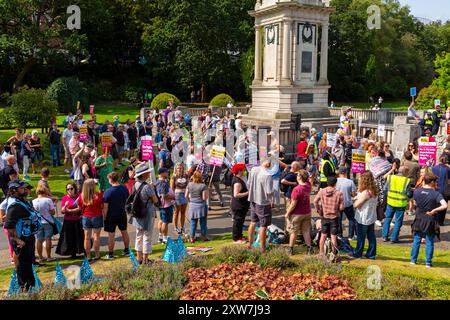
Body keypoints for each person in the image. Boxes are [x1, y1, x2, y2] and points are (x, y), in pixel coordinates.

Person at [5, 180, 40, 291]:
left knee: (28, 262)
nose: (24, 190)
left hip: (28, 237)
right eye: (21, 188)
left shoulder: (22, 201)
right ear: (13, 190)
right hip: (21, 239)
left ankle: (31, 285)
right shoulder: (14, 205)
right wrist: (17, 239)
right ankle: (24, 286)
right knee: (23, 264)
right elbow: (9, 225)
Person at [410, 173, 448, 268]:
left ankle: (413, 261)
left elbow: (414, 202)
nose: (436, 183)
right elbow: (445, 205)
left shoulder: (417, 191)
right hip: (430, 220)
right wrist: (434, 210)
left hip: (418, 218)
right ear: (431, 182)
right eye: (435, 182)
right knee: (429, 241)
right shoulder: (436, 194)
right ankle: (428, 263)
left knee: (417, 240)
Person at [129, 162, 158, 265]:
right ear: (144, 174)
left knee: (138, 235)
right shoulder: (147, 187)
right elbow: (156, 201)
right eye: (147, 173)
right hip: (147, 213)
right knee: (147, 236)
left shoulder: (135, 185)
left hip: (137, 213)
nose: (149, 174)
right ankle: (146, 260)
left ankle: (139, 258)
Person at [247, 159, 274, 252]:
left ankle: (250, 244)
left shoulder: (253, 169)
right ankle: (262, 248)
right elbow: (269, 192)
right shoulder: (268, 175)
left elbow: (248, 183)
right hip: (263, 202)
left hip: (253, 199)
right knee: (264, 225)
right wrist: (272, 201)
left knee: (253, 221)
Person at [313, 176, 344, 258]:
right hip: (334, 217)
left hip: (324, 216)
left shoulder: (322, 191)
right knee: (333, 236)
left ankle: (321, 253)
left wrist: (319, 210)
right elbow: (341, 207)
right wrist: (337, 208)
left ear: (327, 183)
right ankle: (333, 254)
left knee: (323, 235)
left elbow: (315, 201)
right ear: (335, 184)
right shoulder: (339, 193)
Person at [103, 172, 130, 260]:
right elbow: (127, 199)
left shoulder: (108, 191)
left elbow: (105, 207)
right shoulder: (124, 188)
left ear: (111, 179)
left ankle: (110, 254)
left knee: (111, 235)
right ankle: (127, 251)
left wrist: (105, 217)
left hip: (111, 216)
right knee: (124, 232)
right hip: (122, 213)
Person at [351, 172, 378, 259]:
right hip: (372, 216)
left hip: (364, 218)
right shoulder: (374, 190)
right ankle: (371, 254)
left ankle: (358, 253)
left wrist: (355, 200)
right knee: (371, 236)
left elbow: (356, 205)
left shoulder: (366, 193)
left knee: (361, 237)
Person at [285, 170, 313, 255]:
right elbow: (310, 180)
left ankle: (290, 249)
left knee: (294, 232)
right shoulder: (308, 186)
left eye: (297, 175)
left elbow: (293, 204)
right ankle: (309, 249)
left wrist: (287, 213)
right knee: (306, 231)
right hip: (307, 212)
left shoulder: (296, 189)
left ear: (300, 177)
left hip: (297, 214)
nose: (296, 177)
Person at [382, 166, 412, 243]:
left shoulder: (390, 178)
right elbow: (409, 194)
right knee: (398, 221)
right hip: (401, 204)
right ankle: (394, 238)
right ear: (405, 172)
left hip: (390, 202)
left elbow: (385, 189)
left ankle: (384, 236)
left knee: (387, 219)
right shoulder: (407, 180)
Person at [77, 179, 104, 261]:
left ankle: (88, 256)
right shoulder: (99, 195)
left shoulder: (81, 196)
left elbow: (79, 207)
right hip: (97, 216)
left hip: (86, 217)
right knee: (96, 237)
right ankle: (97, 254)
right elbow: (102, 206)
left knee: (87, 238)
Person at [56, 183, 84, 258]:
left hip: (77, 220)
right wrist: (65, 206)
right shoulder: (65, 198)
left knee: (78, 236)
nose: (69, 190)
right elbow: (62, 211)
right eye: (68, 189)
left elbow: (80, 208)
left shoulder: (78, 197)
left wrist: (69, 211)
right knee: (69, 237)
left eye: (71, 188)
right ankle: (72, 253)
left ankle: (80, 251)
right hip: (68, 220)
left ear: (74, 188)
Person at [32, 185, 56, 262]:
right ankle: (49, 257)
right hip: (47, 222)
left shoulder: (33, 201)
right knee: (48, 238)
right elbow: (53, 212)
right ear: (45, 191)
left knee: (39, 240)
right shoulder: (48, 200)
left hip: (38, 222)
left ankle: (41, 257)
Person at [186, 171, 209, 243]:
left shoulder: (189, 185)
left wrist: (190, 201)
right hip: (201, 206)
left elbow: (186, 196)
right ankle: (204, 237)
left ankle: (192, 238)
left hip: (192, 205)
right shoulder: (203, 186)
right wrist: (207, 192)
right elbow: (204, 198)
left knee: (193, 223)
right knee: (203, 222)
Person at [155, 167, 175, 244]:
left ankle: (160, 236)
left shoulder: (158, 182)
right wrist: (173, 197)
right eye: (166, 172)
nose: (167, 173)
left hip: (162, 205)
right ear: (162, 173)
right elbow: (164, 196)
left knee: (161, 221)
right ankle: (165, 238)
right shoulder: (163, 183)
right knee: (165, 222)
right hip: (166, 205)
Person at [336, 166, 357, 239]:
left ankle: (339, 235)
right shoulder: (350, 182)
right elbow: (353, 194)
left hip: (338, 204)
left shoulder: (335, 181)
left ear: (339, 172)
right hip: (348, 203)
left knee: (339, 220)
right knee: (351, 219)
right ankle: (350, 236)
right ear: (346, 172)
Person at [230, 163, 249, 244]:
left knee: (240, 221)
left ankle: (240, 235)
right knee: (237, 222)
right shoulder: (237, 182)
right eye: (243, 170)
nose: (245, 171)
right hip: (239, 205)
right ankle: (236, 238)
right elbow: (236, 195)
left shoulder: (239, 179)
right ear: (239, 171)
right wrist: (248, 193)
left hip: (242, 205)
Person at [431, 155, 450, 226]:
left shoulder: (434, 168)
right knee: (443, 206)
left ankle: (434, 219)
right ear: (446, 161)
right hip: (444, 190)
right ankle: (440, 222)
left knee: (435, 205)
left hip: (435, 189)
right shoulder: (448, 169)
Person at [170, 163, 189, 235]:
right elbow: (171, 188)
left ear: (183, 169)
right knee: (176, 212)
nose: (179, 169)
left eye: (181, 168)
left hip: (185, 195)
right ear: (175, 169)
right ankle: (175, 227)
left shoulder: (186, 175)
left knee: (183, 212)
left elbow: (188, 185)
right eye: (178, 168)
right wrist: (173, 198)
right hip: (177, 195)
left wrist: (188, 195)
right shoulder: (174, 177)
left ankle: (182, 227)